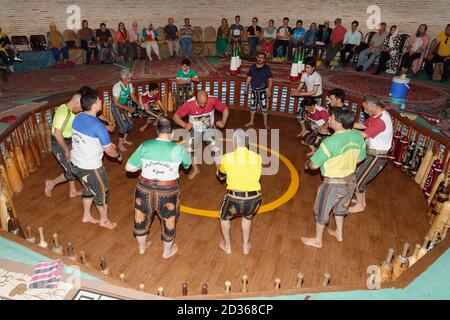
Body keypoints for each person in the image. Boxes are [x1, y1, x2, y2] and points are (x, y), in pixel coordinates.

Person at [126, 117, 191, 258]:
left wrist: (146, 166)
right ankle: (167, 252)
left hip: (144, 189)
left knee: (140, 217)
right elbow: (187, 165)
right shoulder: (178, 149)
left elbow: (129, 168)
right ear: (172, 132)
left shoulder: (145, 145)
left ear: (157, 130)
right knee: (169, 221)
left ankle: (142, 248)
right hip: (168, 192)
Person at [302, 108, 366, 248]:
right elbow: (361, 157)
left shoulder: (330, 142)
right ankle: (339, 233)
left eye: (331, 118)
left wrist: (307, 164)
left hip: (332, 183)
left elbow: (313, 165)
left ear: (338, 123)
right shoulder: (358, 137)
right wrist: (346, 162)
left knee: (321, 210)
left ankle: (318, 241)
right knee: (340, 208)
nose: (328, 119)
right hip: (350, 181)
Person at [71, 90, 122, 230]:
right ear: (94, 105)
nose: (101, 102)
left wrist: (102, 145)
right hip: (91, 166)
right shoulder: (98, 126)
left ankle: (87, 215)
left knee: (88, 187)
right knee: (101, 192)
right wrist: (118, 155)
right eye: (99, 101)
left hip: (76, 163)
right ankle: (104, 220)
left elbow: (86, 140)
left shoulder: (78, 117)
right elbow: (110, 151)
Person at [216, 129, 262, 255]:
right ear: (247, 143)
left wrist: (218, 161)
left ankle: (227, 246)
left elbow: (220, 176)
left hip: (235, 199)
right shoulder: (258, 157)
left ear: (235, 142)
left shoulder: (227, 157)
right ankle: (246, 246)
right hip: (255, 199)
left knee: (224, 218)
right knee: (247, 218)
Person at [349, 96, 393, 213]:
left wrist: (344, 128)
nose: (365, 111)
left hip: (378, 156)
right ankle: (361, 201)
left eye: (366, 108)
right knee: (360, 176)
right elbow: (363, 126)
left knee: (357, 180)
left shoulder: (381, 121)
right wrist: (347, 123)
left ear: (374, 106)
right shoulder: (377, 115)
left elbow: (361, 135)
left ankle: (360, 206)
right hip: (371, 152)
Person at [173, 91, 229, 180]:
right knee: (188, 150)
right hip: (195, 130)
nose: (202, 105)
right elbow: (175, 116)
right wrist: (184, 125)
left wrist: (223, 122)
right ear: (196, 99)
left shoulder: (212, 100)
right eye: (200, 103)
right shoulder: (189, 104)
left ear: (208, 98)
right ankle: (196, 169)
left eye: (205, 103)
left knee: (216, 148)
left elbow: (225, 109)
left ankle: (219, 170)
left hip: (209, 128)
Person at [44, 94, 83, 198]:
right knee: (72, 171)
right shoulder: (63, 113)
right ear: (76, 103)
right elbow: (57, 134)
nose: (80, 110)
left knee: (72, 165)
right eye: (80, 107)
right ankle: (51, 183)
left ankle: (73, 191)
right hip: (59, 143)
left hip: (68, 140)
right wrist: (66, 150)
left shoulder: (71, 110)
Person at [111, 69, 142, 152]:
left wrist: (138, 103)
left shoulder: (129, 85)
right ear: (123, 78)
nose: (130, 80)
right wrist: (128, 109)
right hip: (116, 107)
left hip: (123, 106)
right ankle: (119, 143)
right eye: (129, 78)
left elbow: (132, 95)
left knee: (130, 124)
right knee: (123, 125)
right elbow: (116, 103)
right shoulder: (117, 86)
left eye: (130, 78)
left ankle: (124, 140)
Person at [293, 58, 323, 136]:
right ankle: (304, 130)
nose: (306, 69)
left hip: (316, 98)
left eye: (308, 67)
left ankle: (315, 135)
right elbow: (300, 85)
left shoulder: (317, 77)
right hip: (307, 96)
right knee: (299, 115)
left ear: (313, 68)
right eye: (306, 67)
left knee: (315, 119)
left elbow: (314, 92)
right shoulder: (304, 74)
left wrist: (300, 94)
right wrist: (296, 91)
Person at [244, 52, 273, 129]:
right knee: (252, 107)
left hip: (263, 91)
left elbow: (270, 80)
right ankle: (251, 121)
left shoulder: (266, 68)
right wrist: (246, 87)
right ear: (257, 58)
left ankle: (265, 123)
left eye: (262, 57)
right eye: (259, 57)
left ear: (264, 59)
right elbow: (249, 77)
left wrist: (269, 90)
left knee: (264, 108)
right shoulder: (253, 67)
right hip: (253, 90)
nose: (260, 59)